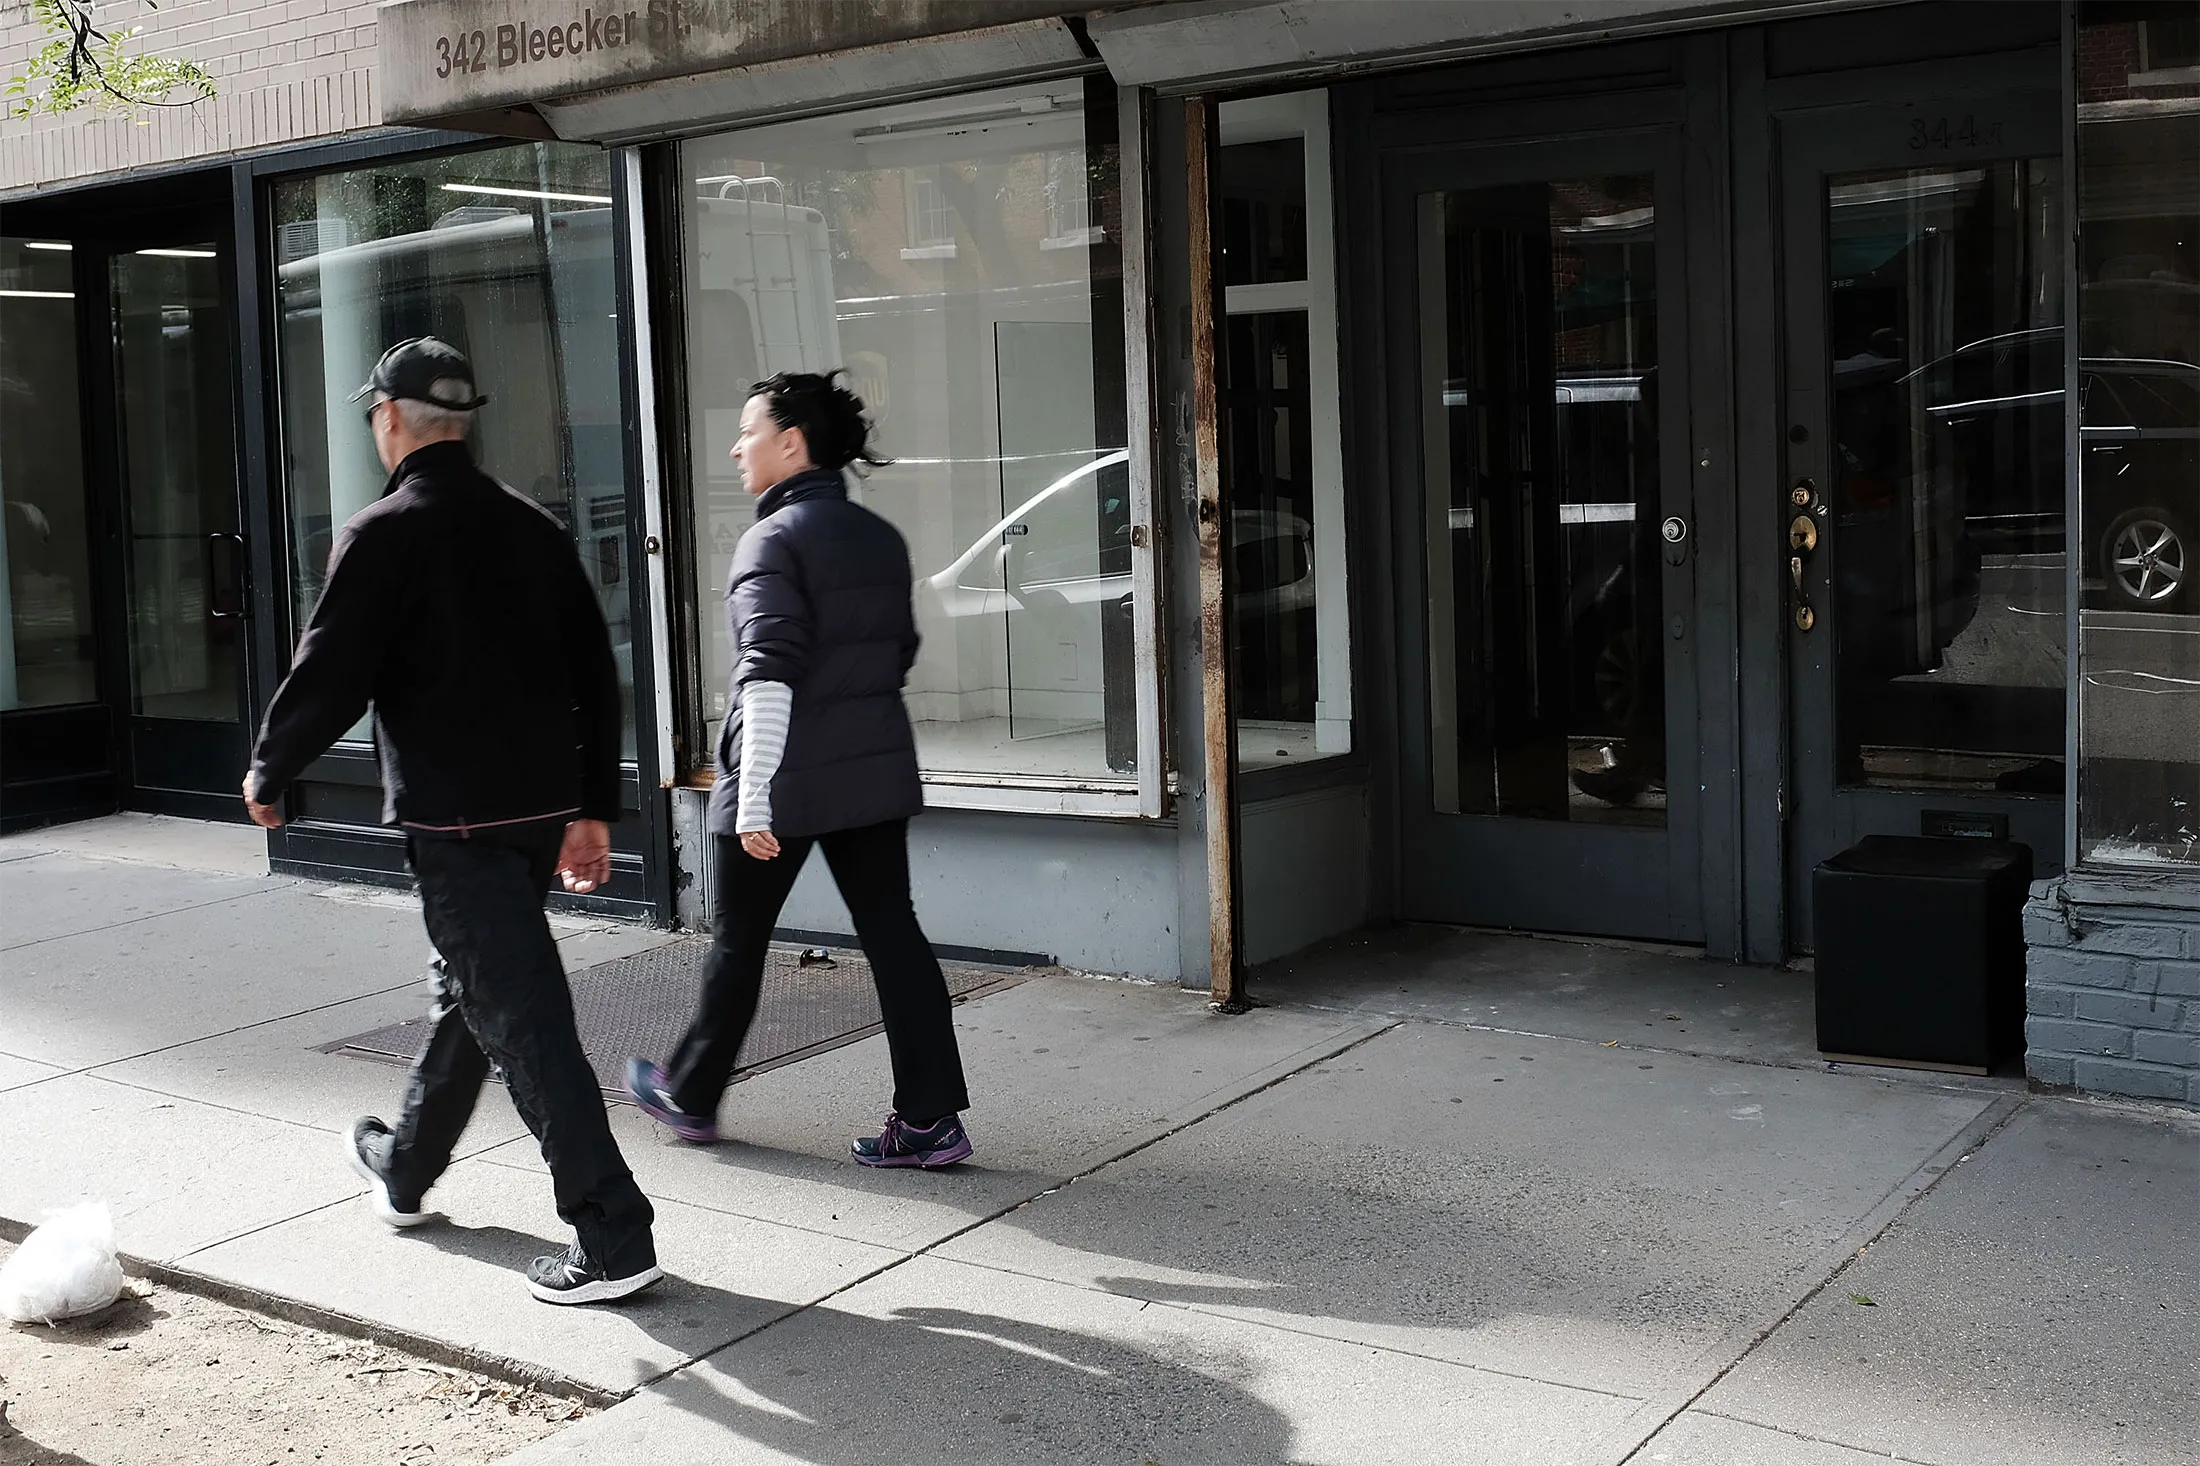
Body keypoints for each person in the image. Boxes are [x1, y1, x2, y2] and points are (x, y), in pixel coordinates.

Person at [242, 337, 661, 1306]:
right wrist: (595, 805)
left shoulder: (385, 530)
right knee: (478, 990)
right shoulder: (532, 526)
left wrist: (272, 760)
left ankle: (612, 1232)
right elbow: (595, 678)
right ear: (460, 419)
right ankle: (405, 1164)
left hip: (455, 824)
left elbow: (333, 666)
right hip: (534, 812)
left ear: (389, 419)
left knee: (522, 1015)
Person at [625, 371, 973, 1168]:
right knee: (895, 937)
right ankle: (929, 1121)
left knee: (739, 943)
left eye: (748, 431)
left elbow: (769, 671)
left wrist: (752, 799)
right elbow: (899, 654)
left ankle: (692, 1094)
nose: (735, 446)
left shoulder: (771, 540)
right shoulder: (878, 538)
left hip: (780, 780)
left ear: (792, 443)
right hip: (872, 773)